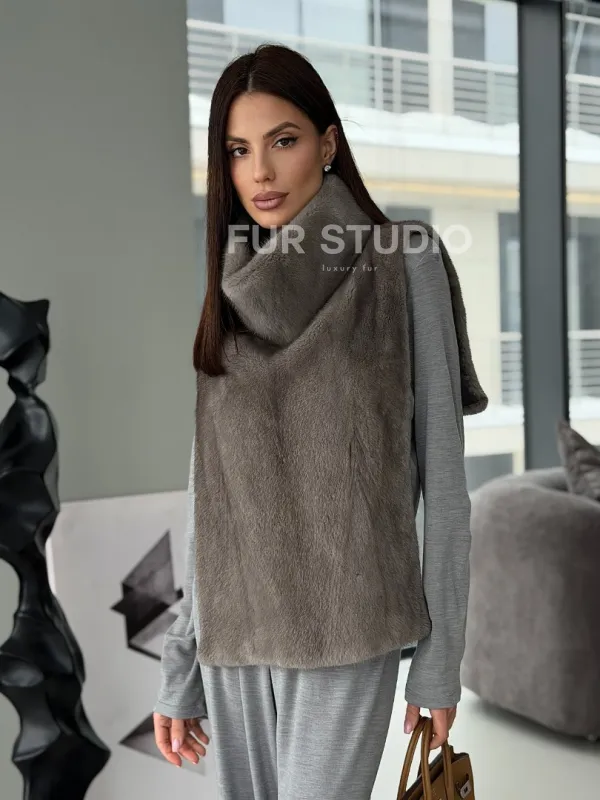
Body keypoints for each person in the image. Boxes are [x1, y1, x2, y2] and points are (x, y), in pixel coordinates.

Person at [153, 43, 487, 799]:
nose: (260, 173)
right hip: (234, 637)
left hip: (349, 627)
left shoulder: (403, 262)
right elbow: (211, 493)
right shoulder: (228, 283)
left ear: (328, 143)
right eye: (238, 150)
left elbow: (444, 481)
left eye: (283, 140)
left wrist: (439, 663)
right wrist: (182, 660)